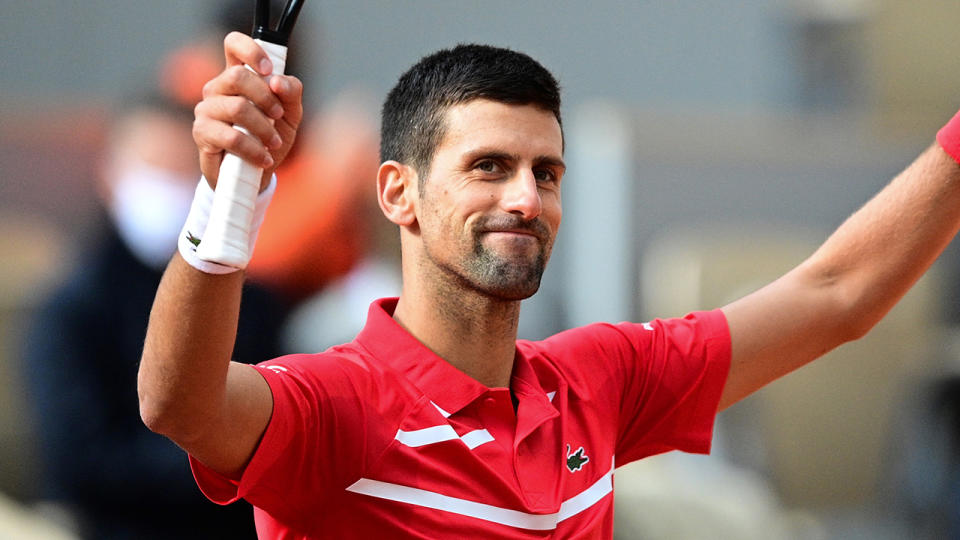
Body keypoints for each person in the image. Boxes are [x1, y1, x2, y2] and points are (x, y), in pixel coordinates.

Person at [138, 31, 960, 538]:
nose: (525, 199)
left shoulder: (596, 381)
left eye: (547, 172)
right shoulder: (335, 407)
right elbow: (180, 402)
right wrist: (227, 199)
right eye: (488, 167)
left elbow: (837, 294)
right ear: (399, 193)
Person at [22, 94, 287, 539]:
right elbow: (78, 462)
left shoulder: (253, 302)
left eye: (181, 171)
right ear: (110, 177)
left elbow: (276, 419)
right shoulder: (72, 311)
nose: (168, 186)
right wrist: (219, 463)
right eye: (153, 169)